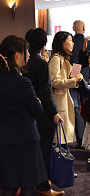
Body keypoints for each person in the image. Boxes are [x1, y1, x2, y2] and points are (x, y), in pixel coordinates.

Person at [0, 35, 47, 196]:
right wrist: (38, 102)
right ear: (17, 54)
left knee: (10, 184)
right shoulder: (22, 82)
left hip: (5, 139)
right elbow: (38, 111)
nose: (28, 54)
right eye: (26, 51)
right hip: (26, 139)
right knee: (28, 184)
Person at [24, 28, 65, 196]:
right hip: (42, 115)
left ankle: (36, 182)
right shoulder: (40, 63)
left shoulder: (23, 63)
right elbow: (46, 93)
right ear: (44, 44)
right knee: (43, 151)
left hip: (26, 113)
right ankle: (43, 186)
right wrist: (54, 112)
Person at [49, 31, 83, 144]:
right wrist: (74, 81)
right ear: (62, 43)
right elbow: (54, 81)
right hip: (59, 101)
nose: (72, 43)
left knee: (62, 139)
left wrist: (75, 79)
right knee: (59, 140)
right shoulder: (56, 59)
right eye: (70, 40)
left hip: (64, 99)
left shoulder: (64, 59)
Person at [70, 20, 90, 149]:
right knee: (88, 108)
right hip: (88, 79)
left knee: (77, 108)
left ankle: (80, 139)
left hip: (73, 79)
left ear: (73, 28)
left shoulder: (69, 42)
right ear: (84, 28)